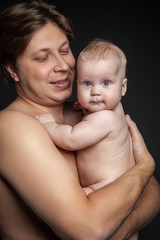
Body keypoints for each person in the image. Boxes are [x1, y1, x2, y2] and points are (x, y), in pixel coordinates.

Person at [0, 1, 160, 240]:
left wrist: (121, 223)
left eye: (64, 50)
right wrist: (145, 166)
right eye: (43, 58)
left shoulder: (88, 113)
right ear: (13, 69)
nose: (63, 65)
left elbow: (154, 194)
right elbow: (88, 231)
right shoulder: (12, 127)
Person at [35, 38, 136, 239]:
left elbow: (71, 139)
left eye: (106, 83)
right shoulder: (111, 110)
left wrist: (49, 125)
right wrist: (86, 109)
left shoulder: (104, 117)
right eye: (87, 83)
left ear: (123, 87)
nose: (96, 92)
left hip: (106, 188)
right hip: (114, 188)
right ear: (77, 83)